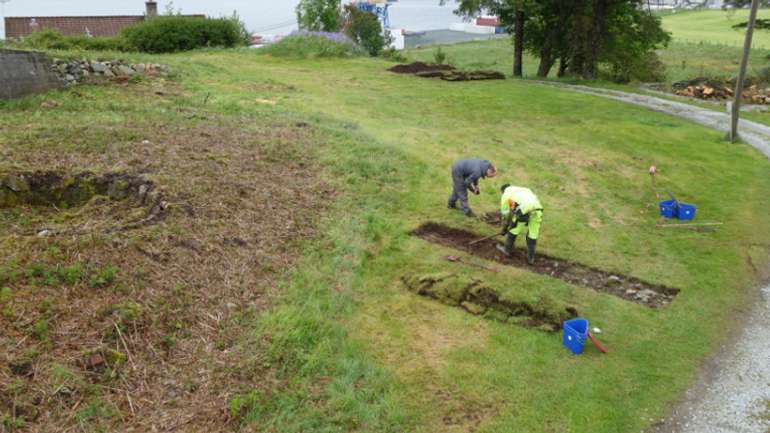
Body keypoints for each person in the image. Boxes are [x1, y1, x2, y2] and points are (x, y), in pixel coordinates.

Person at [496, 184, 543, 264]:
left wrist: (505, 228)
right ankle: (531, 258)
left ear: (503, 191)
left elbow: (507, 215)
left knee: (514, 229)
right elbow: (513, 209)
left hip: (524, 209)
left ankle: (506, 249)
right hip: (538, 209)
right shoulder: (523, 190)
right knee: (533, 234)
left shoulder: (506, 195)